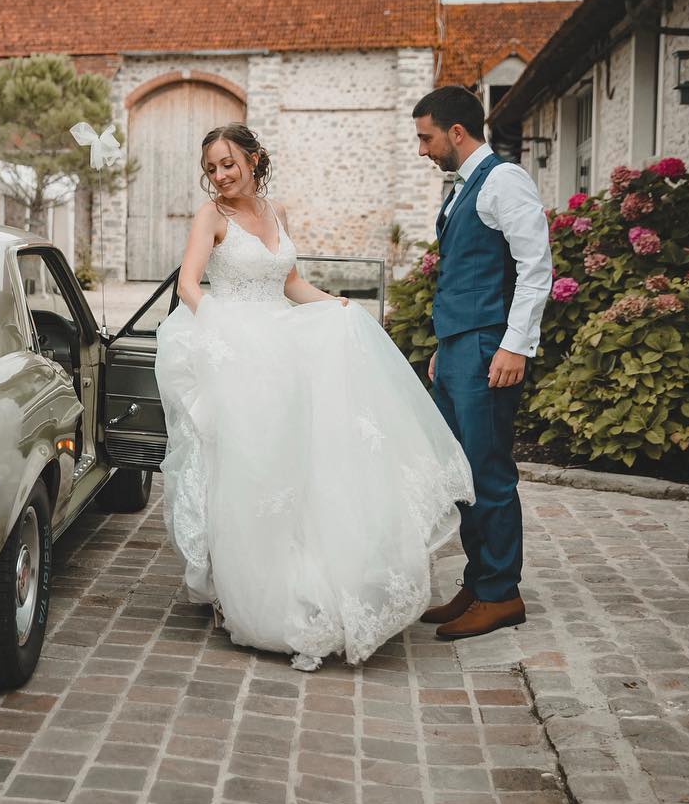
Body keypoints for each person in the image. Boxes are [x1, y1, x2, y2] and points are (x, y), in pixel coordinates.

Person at [155, 123, 474, 670]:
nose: (220, 176)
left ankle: (304, 576)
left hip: (284, 349)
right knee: (248, 468)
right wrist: (225, 339)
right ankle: (241, 589)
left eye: (228, 163)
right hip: (236, 353)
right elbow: (188, 286)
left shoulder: (277, 213)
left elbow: (291, 284)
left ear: (254, 159)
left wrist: (336, 306)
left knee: (297, 466)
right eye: (210, 168)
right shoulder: (211, 217)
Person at [412, 86, 550, 640]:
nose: (422, 149)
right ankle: (479, 579)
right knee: (462, 472)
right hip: (459, 350)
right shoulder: (463, 186)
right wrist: (444, 350)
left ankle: (501, 594)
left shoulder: (504, 181)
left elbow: (536, 267)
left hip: (490, 348)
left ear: (457, 132)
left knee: (488, 471)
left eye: (426, 137)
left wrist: (515, 345)